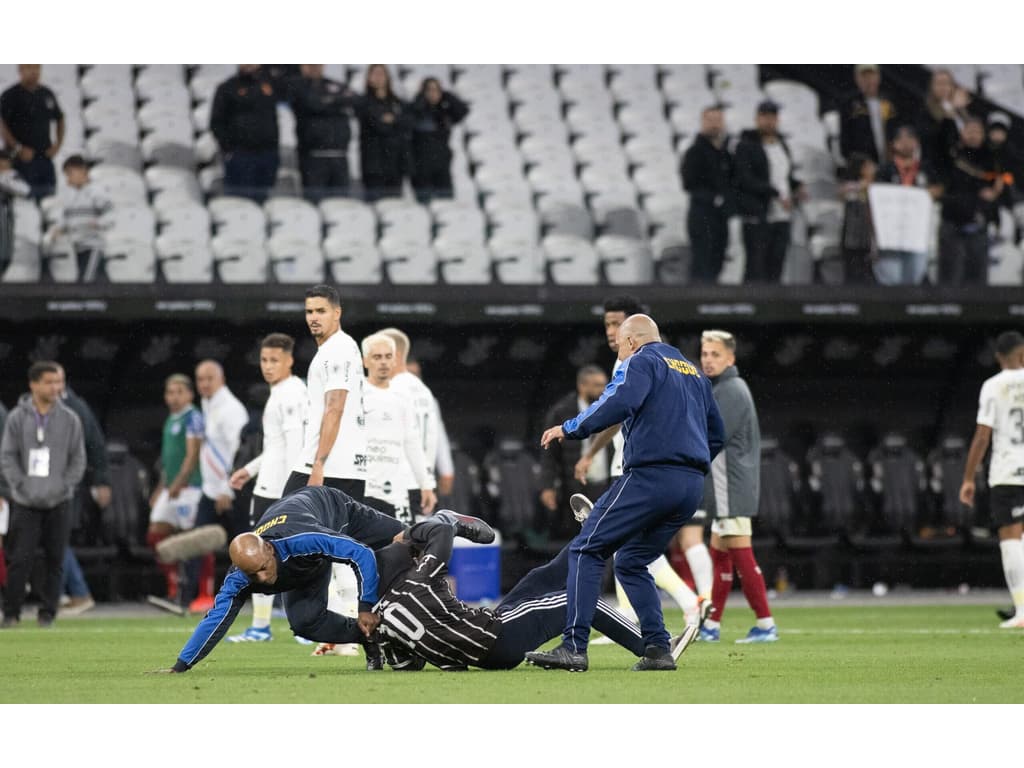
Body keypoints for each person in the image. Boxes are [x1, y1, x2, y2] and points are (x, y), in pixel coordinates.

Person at [528, 314, 725, 671]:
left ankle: (573, 647)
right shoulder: (694, 373)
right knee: (632, 560)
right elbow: (717, 433)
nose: (619, 350)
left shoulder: (642, 361)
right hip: (690, 485)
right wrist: (689, 464)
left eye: (619, 344)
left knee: (587, 548)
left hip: (651, 476)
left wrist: (569, 428)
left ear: (632, 341)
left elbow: (619, 402)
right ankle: (657, 649)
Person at [371, 510, 679, 672]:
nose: (416, 557)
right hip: (497, 637)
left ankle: (595, 534)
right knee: (580, 601)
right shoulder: (418, 579)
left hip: (486, 643)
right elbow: (443, 529)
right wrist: (412, 533)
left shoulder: (383, 614)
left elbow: (406, 665)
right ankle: (652, 647)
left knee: (539, 579)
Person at [150, 486, 414, 673]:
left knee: (408, 538)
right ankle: (372, 639)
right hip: (306, 566)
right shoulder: (239, 576)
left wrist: (365, 607)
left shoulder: (303, 539)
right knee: (306, 623)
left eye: (264, 568)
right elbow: (216, 618)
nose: (262, 579)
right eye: (253, 575)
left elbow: (361, 554)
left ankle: (450, 526)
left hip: (332, 509)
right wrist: (181, 665)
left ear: (269, 549)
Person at [574, 296, 709, 628]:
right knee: (631, 552)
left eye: (617, 324)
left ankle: (686, 602)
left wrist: (578, 438)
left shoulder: (634, 360)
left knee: (601, 546)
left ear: (634, 329)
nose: (611, 331)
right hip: (679, 471)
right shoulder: (678, 364)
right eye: (606, 323)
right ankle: (644, 620)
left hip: (639, 467)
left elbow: (617, 411)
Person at [695, 330, 778, 644]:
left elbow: (711, 435)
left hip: (730, 485)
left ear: (731, 358)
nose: (708, 360)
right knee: (720, 556)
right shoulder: (723, 387)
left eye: (715, 354)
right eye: (704, 354)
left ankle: (766, 623)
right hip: (724, 486)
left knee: (742, 556)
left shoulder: (730, 389)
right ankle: (712, 626)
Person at [226, 333, 308, 643]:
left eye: (275, 360)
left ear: (289, 360)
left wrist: (293, 492)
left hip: (278, 491)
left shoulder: (290, 395)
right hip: (269, 486)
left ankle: (296, 624)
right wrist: (249, 470)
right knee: (267, 557)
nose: (268, 366)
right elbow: (277, 448)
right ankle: (265, 626)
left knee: (268, 556)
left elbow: (296, 448)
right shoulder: (283, 392)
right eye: (264, 360)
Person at [0, 361, 85, 628]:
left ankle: (48, 613)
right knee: (19, 558)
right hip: (25, 501)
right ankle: (11, 613)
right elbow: (8, 456)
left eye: (59, 382)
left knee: (55, 559)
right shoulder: (17, 417)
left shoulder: (70, 418)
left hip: (59, 500)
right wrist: (19, 486)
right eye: (49, 382)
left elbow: (78, 459)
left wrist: (64, 487)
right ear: (33, 384)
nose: (56, 387)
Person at [959, 331, 1024, 628]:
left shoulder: (993, 386)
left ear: (999, 357)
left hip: (1008, 472)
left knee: (1011, 539)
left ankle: (1022, 609)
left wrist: (969, 478)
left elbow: (983, 436)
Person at [283, 285, 368, 507]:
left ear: (337, 313)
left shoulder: (337, 349)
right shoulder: (338, 347)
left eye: (321, 311)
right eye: (309, 312)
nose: (314, 317)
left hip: (331, 467)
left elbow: (335, 407)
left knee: (278, 530)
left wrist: (318, 465)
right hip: (343, 465)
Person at [188, 360, 249, 613]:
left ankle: (268, 597)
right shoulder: (207, 404)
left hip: (231, 490)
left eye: (209, 378)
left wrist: (227, 488)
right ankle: (187, 597)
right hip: (210, 490)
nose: (204, 384)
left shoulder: (231, 409)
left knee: (248, 545)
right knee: (197, 541)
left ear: (221, 379)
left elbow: (240, 451)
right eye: (200, 379)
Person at [53, 364, 111, 615]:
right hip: (44, 484)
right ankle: (62, 593)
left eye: (56, 381)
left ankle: (78, 592)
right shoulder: (38, 409)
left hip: (69, 484)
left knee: (58, 538)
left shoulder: (76, 407)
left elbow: (96, 445)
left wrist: (102, 480)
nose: (53, 387)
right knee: (53, 539)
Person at [361, 332, 436, 523]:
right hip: (363, 486)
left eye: (388, 357)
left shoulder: (403, 396)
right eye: (377, 357)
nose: (384, 362)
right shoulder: (356, 394)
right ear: (365, 361)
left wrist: (425, 484)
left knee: (401, 547)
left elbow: (412, 441)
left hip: (397, 488)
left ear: (395, 359)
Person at [145, 374, 204, 605]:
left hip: (190, 487)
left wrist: (180, 482)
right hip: (170, 487)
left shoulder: (193, 417)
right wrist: (161, 486)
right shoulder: (171, 419)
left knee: (193, 539)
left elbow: (193, 455)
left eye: (179, 391)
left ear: (190, 394)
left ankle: (202, 592)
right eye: (170, 392)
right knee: (156, 532)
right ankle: (174, 585)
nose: (174, 397)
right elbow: (168, 458)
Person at [732, 100, 805, 283]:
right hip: (758, 214)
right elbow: (745, 179)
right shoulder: (746, 146)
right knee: (756, 267)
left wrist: (796, 186)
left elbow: (782, 176)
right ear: (757, 119)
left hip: (782, 216)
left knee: (776, 264)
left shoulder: (782, 145)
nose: (769, 120)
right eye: (765, 116)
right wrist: (775, 194)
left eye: (773, 116)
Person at [378, 327, 445, 519]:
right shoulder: (423, 390)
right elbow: (433, 437)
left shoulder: (393, 388)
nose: (380, 361)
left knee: (397, 543)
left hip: (397, 482)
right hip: (421, 479)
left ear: (396, 354)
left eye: (384, 354)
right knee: (417, 540)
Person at [539, 365, 611, 541]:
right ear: (582, 386)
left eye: (604, 385)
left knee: (604, 535)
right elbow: (549, 454)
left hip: (605, 482)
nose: (603, 389)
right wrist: (547, 485)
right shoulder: (562, 411)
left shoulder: (611, 407)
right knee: (576, 537)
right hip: (574, 484)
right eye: (597, 385)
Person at [873, 125, 942, 285]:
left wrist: (934, 191)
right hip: (891, 234)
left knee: (915, 278)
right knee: (891, 279)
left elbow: (940, 189)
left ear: (917, 142)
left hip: (918, 234)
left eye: (910, 138)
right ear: (893, 144)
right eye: (900, 139)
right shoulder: (885, 169)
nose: (905, 142)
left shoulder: (926, 168)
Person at [938, 116, 998, 286]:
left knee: (978, 279)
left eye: (977, 131)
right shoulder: (951, 154)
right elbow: (940, 139)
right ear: (961, 133)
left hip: (978, 224)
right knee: (950, 279)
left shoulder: (990, 158)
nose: (973, 135)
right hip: (951, 222)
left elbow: (999, 185)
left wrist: (994, 193)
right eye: (969, 130)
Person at [210, 65, 280, 203]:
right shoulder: (227, 87)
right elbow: (216, 123)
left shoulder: (269, 86)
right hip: (240, 155)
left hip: (267, 155)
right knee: (239, 202)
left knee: (263, 201)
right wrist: (229, 149)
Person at [288, 64, 358, 202]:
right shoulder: (297, 85)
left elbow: (356, 99)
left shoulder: (332, 84)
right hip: (313, 157)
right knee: (315, 203)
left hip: (339, 155)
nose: (315, 67)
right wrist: (336, 101)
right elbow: (312, 103)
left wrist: (329, 100)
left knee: (341, 205)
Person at [681, 105, 733, 283]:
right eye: (710, 120)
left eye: (718, 120)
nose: (714, 125)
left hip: (721, 216)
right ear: (702, 122)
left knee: (717, 261)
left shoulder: (725, 153)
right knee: (702, 262)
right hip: (702, 214)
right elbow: (689, 183)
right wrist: (715, 199)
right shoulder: (694, 152)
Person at [0, 65, 64, 200]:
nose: (34, 72)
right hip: (20, 159)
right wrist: (18, 147)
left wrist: (57, 145)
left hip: (44, 157)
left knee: (49, 197)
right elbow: (2, 124)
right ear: (20, 70)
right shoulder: (11, 95)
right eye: (29, 68)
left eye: (37, 68)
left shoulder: (46, 93)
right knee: (24, 199)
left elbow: (60, 118)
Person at [52, 155, 112, 282]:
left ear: (82, 170)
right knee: (88, 282)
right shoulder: (69, 195)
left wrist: (98, 223)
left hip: (93, 246)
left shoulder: (96, 191)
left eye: (70, 173)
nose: (68, 178)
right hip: (77, 246)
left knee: (86, 282)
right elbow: (65, 218)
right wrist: (58, 229)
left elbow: (111, 215)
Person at [409, 77, 469, 204]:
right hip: (421, 168)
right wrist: (421, 98)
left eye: (436, 90)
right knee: (424, 205)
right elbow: (411, 114)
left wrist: (447, 95)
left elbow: (463, 110)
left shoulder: (444, 112)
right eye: (429, 90)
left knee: (446, 203)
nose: (433, 93)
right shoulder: (417, 110)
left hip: (442, 166)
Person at [356, 65, 411, 202]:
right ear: (368, 78)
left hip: (395, 164)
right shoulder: (363, 102)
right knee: (376, 204)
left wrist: (392, 120)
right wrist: (394, 121)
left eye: (382, 74)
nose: (379, 77)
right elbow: (378, 125)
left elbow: (408, 122)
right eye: (375, 74)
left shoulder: (397, 102)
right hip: (374, 165)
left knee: (395, 206)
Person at [918, 68, 973, 179]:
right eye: (939, 83)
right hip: (940, 170)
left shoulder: (961, 111)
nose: (943, 87)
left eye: (946, 83)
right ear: (932, 86)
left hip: (964, 170)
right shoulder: (926, 111)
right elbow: (933, 140)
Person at [839, 64, 897, 166]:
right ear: (857, 78)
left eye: (871, 75)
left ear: (878, 77)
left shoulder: (889, 102)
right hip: (862, 167)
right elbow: (845, 140)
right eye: (864, 76)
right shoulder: (850, 104)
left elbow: (895, 132)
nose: (868, 80)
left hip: (890, 166)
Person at [838, 152, 877, 284]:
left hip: (869, 237)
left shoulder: (877, 187)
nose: (873, 169)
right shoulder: (851, 186)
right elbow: (843, 193)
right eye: (869, 167)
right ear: (861, 169)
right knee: (852, 270)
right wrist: (862, 185)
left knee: (867, 271)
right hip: (852, 237)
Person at [0, 149, 30, 270]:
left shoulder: (13, 175)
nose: (4, 164)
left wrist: (4, 180)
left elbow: (25, 190)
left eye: (6, 161)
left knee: (5, 250)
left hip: (6, 213)